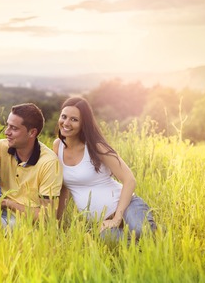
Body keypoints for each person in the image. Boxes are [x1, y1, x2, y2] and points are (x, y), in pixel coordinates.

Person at [54, 97, 156, 243]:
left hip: (127, 206)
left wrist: (116, 218)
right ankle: (149, 243)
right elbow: (63, 187)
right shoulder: (58, 146)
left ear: (83, 123)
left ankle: (151, 233)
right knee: (107, 238)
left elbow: (129, 180)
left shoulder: (96, 146)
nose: (66, 123)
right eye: (64, 117)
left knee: (140, 230)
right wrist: (56, 223)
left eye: (74, 119)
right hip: (102, 222)